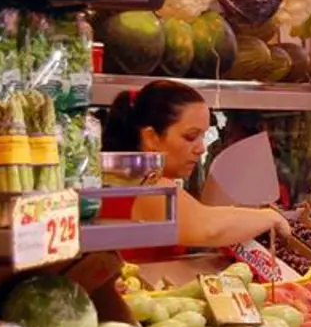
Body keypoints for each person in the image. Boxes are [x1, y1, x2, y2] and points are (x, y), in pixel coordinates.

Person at [100, 80, 291, 261]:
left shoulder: (121, 179)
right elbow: (209, 228)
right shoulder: (150, 188)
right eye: (191, 136)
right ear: (151, 137)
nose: (201, 148)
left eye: (203, 136)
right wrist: (269, 217)